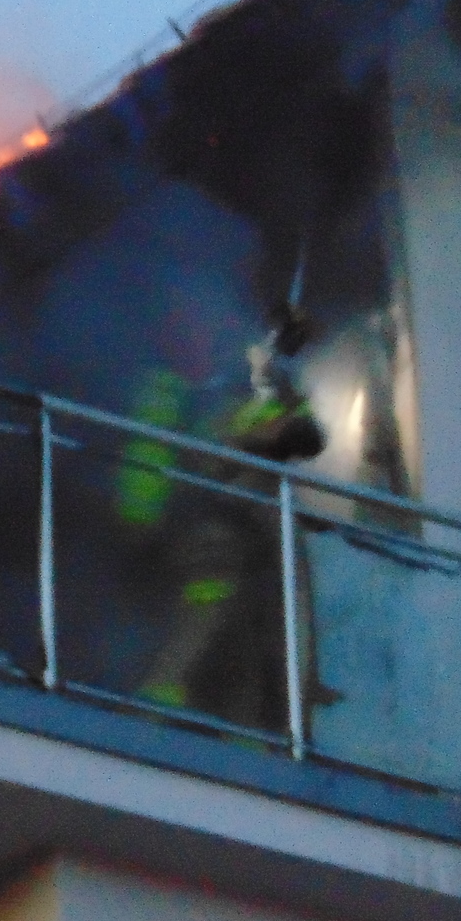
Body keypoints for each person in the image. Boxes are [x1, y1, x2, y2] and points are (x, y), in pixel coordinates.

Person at [121, 305, 324, 728]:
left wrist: (282, 404)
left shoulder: (258, 385)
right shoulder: (182, 392)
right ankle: (154, 711)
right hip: (202, 522)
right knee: (207, 613)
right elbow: (203, 453)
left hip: (245, 532)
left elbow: (306, 436)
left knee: (250, 640)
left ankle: (266, 726)